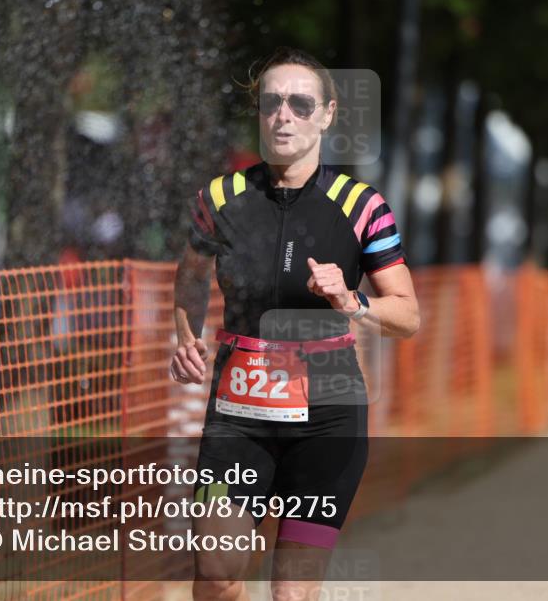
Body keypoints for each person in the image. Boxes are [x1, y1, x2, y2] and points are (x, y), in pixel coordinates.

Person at [170, 47, 420, 601]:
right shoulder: (220, 198)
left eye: (301, 104)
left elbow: (407, 314)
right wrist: (185, 338)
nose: (284, 115)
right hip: (239, 415)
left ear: (328, 114)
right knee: (215, 573)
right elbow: (189, 277)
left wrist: (352, 301)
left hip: (328, 420)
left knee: (291, 593)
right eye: (272, 103)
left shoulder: (361, 205)